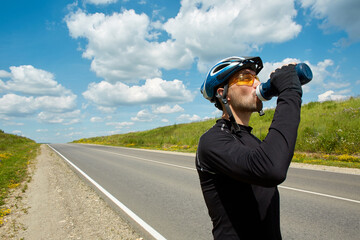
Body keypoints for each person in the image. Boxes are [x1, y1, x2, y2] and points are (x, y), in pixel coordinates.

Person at [196, 56, 302, 239]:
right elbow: (271, 169)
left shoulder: (252, 140)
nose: (255, 84)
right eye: (246, 77)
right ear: (223, 93)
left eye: (257, 79)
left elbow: (274, 157)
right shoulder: (212, 141)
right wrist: (289, 91)